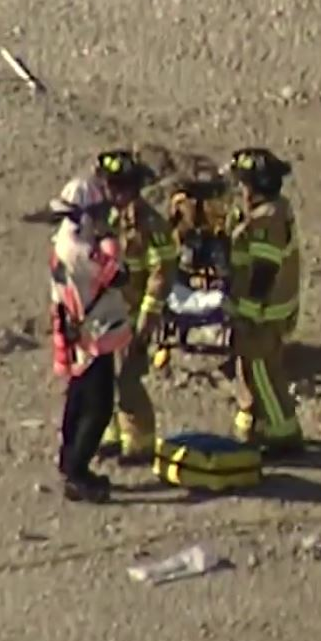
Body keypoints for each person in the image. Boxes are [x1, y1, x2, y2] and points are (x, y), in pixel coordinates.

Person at [48, 176, 133, 503]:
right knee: (97, 408)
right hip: (94, 334)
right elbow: (118, 274)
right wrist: (110, 239)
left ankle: (69, 461)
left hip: (78, 331)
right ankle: (79, 473)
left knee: (77, 397)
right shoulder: (82, 250)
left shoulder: (62, 240)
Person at [95, 149, 176, 464]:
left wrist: (147, 319)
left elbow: (161, 275)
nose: (112, 193)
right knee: (104, 379)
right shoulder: (105, 218)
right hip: (104, 315)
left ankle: (140, 443)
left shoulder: (150, 225)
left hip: (132, 316)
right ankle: (110, 434)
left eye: (117, 187)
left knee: (128, 380)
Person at [226, 147, 304, 456]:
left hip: (263, 313)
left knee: (261, 373)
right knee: (253, 369)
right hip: (267, 310)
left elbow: (264, 270)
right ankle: (258, 424)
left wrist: (248, 313)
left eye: (243, 184)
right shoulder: (272, 210)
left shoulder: (267, 220)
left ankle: (282, 433)